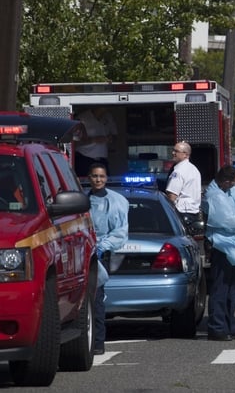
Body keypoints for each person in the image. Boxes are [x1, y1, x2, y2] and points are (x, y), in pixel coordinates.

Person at [203, 165, 235, 341]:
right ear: (227, 181)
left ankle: (228, 326)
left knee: (231, 289)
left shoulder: (224, 192)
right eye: (234, 182)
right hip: (220, 246)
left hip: (228, 246)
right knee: (220, 289)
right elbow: (229, 222)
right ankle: (217, 327)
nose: (234, 186)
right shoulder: (216, 196)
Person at [87, 163, 129, 355]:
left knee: (96, 300)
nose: (98, 180)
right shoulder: (82, 199)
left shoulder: (115, 202)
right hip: (82, 253)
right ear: (89, 177)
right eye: (95, 176)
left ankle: (98, 342)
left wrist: (102, 247)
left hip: (99, 255)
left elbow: (120, 232)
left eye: (102, 176)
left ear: (106, 178)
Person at [166, 141, 202, 225]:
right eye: (173, 150)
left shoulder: (178, 171)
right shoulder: (194, 169)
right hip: (194, 213)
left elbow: (172, 196)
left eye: (176, 151)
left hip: (181, 213)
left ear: (185, 154)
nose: (173, 153)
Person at [75, 108, 117, 176]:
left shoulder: (109, 116)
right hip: (84, 158)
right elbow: (74, 142)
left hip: (102, 160)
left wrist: (110, 138)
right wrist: (94, 140)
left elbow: (115, 135)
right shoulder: (82, 118)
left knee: (105, 181)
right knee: (83, 181)